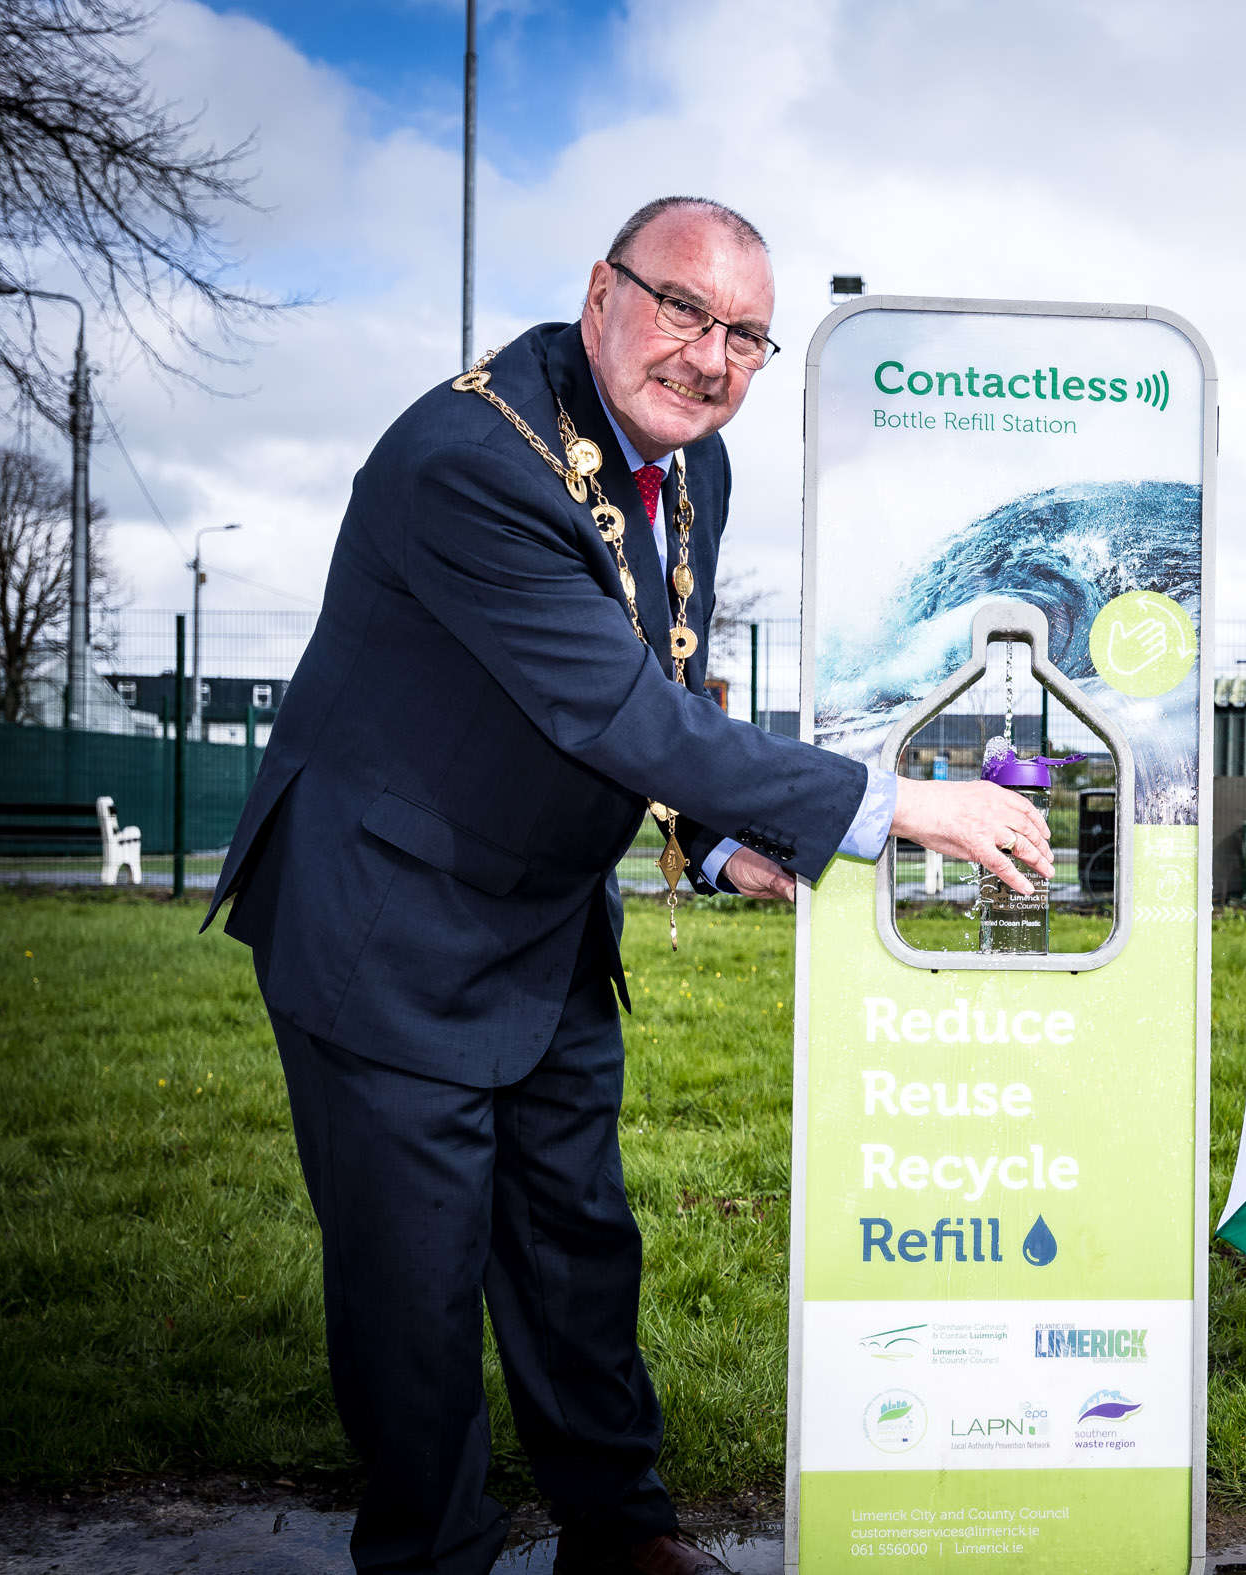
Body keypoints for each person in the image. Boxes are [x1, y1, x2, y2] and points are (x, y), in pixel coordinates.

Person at [206, 196, 1052, 1575]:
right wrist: (896, 806)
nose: (709, 357)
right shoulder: (466, 462)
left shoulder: (689, 464)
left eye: (745, 336)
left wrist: (714, 840)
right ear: (602, 292)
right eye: (681, 309)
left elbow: (648, 676)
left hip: (542, 906)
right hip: (385, 915)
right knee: (413, 1287)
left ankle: (617, 1531)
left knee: (575, 1242)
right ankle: (431, 1554)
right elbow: (614, 708)